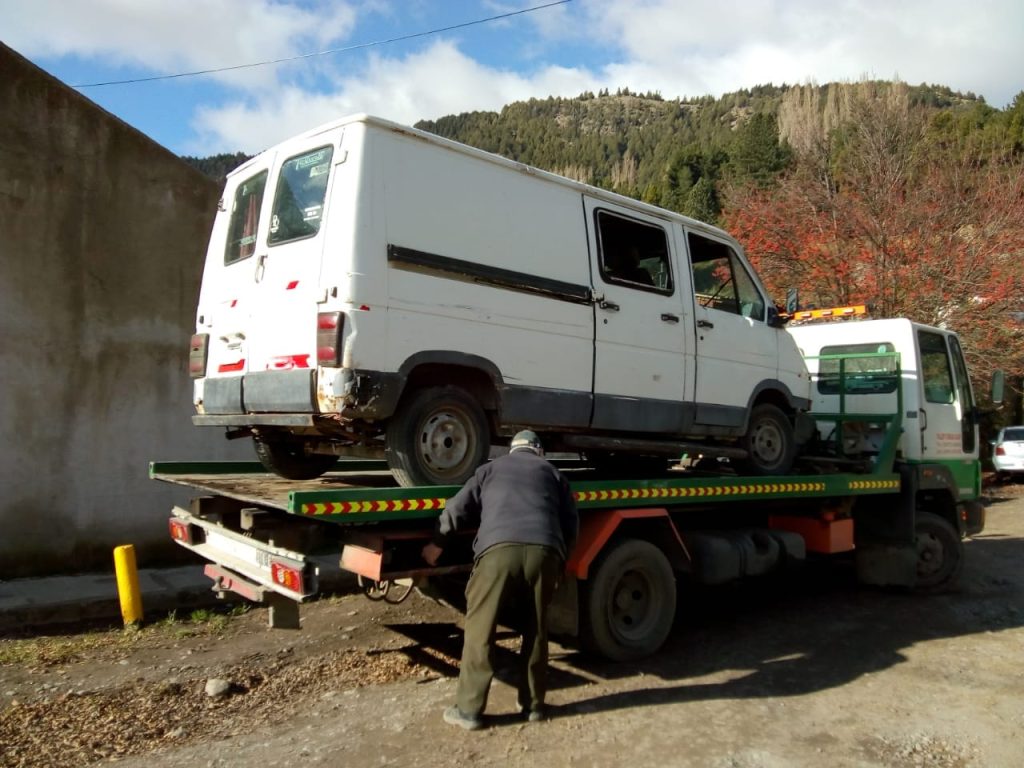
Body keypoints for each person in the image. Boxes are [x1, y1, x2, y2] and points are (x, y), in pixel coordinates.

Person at [422, 430, 578, 731]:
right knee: (536, 629)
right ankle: (533, 705)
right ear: (539, 452)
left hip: (498, 551)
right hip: (544, 552)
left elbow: (457, 508)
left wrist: (436, 544)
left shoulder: (490, 469)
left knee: (481, 628)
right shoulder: (553, 473)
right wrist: (561, 563)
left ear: (512, 450)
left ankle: (469, 710)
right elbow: (571, 524)